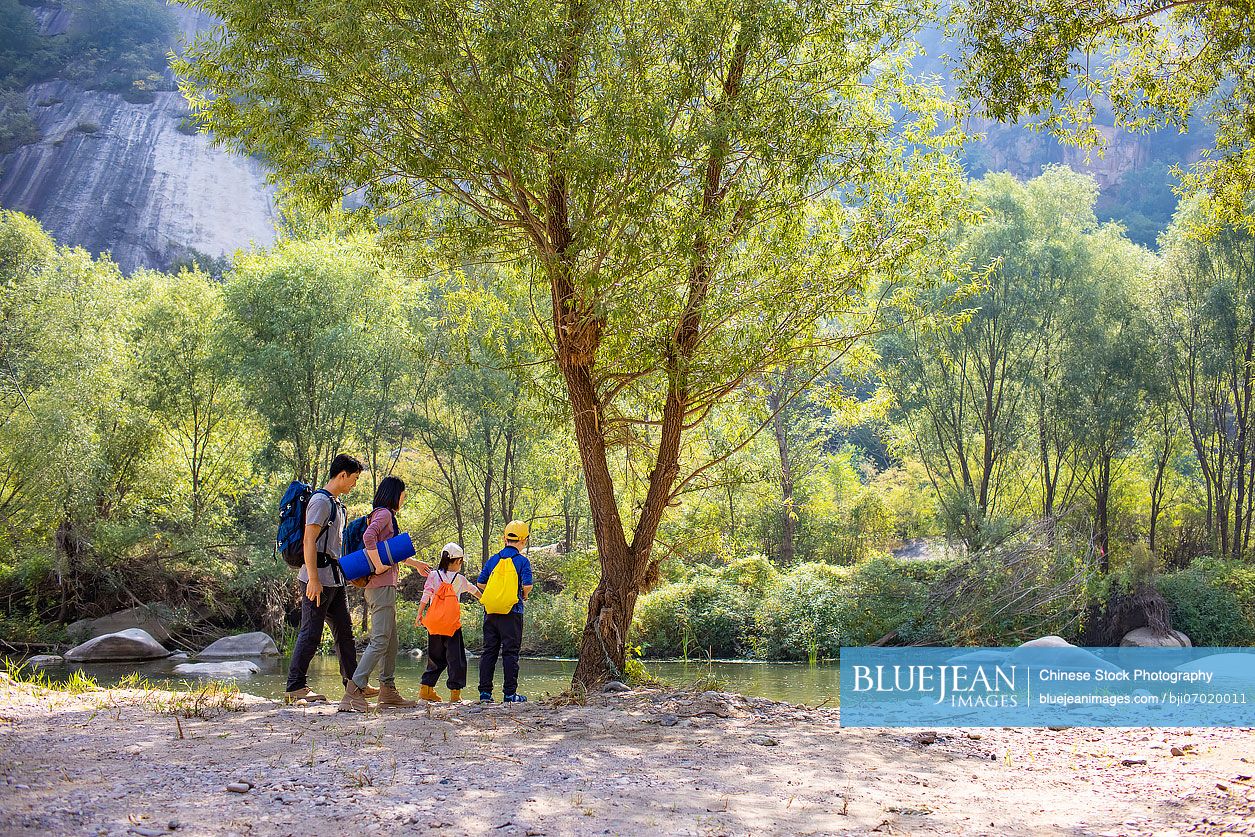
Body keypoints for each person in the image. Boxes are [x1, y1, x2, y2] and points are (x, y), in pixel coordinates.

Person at [343, 476, 432, 712]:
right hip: (381, 586)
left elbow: (390, 551)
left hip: (383, 588)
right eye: (403, 494)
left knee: (391, 642)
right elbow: (368, 537)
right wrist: (379, 565)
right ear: (395, 494)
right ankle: (354, 690)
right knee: (381, 640)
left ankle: (387, 691)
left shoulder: (382, 515)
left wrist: (416, 564)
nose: (404, 498)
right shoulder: (384, 514)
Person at [284, 454, 364, 706]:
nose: (354, 484)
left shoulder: (338, 504)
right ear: (342, 475)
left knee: (345, 632)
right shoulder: (320, 501)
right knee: (311, 632)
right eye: (354, 479)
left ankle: (354, 684)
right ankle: (295, 686)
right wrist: (313, 580)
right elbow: (309, 540)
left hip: (334, 579)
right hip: (316, 577)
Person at [476, 520, 533, 703]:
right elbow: (528, 585)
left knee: (489, 652)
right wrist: (523, 594)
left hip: (491, 612)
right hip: (513, 612)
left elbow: (480, 583)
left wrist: (496, 593)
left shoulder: (493, 559)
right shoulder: (522, 561)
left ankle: (485, 694)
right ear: (523, 540)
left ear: (504, 538)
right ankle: (509, 694)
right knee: (510, 653)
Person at [415, 543, 480, 702]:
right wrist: (487, 601)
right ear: (458, 561)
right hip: (451, 626)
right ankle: (455, 695)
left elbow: (426, 594)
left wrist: (419, 614)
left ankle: (426, 689)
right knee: (456, 659)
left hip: (434, 625)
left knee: (435, 657)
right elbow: (474, 591)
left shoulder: (433, 575)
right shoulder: (460, 580)